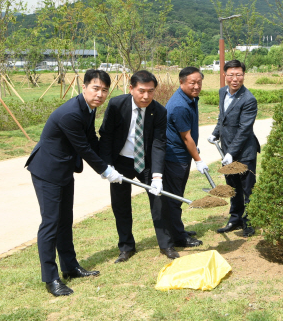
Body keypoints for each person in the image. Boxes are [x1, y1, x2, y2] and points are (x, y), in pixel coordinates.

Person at [26, 69, 123, 297]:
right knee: (50, 222)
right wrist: (105, 171)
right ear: (84, 87)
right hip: (47, 170)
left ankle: (70, 267)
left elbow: (91, 140)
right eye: (95, 88)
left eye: (104, 90)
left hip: (64, 168)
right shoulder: (71, 113)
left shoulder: (88, 109)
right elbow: (84, 149)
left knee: (65, 220)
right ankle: (51, 279)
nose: (100, 94)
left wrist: (111, 163)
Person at [98, 70, 176, 262]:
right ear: (131, 88)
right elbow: (106, 136)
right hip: (121, 162)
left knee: (159, 201)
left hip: (146, 162)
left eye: (150, 91)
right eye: (141, 91)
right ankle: (126, 247)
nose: (146, 96)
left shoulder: (159, 111)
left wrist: (157, 175)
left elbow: (159, 143)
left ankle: (166, 245)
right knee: (121, 205)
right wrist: (107, 166)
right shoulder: (117, 105)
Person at [208, 60, 261, 237]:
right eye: (231, 75)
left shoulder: (249, 99)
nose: (235, 79)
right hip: (227, 151)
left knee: (247, 189)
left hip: (244, 152)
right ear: (225, 75)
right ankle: (235, 219)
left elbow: (244, 130)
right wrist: (215, 133)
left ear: (243, 76)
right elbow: (222, 117)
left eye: (238, 75)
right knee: (232, 186)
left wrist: (231, 153)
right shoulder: (223, 92)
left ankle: (250, 222)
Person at [163, 67, 209, 254]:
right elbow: (186, 138)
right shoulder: (180, 105)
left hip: (182, 154)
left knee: (177, 195)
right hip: (175, 157)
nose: (196, 86)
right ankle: (178, 237)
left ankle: (177, 230)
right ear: (181, 82)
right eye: (192, 82)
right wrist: (198, 160)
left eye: (199, 82)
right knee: (175, 197)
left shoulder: (189, 98)